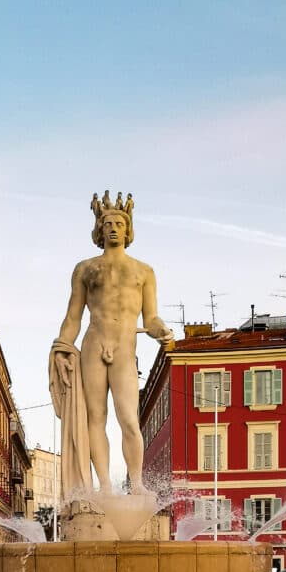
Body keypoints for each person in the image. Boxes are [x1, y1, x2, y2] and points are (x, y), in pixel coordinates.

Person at [51, 192, 174, 499]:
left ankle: (136, 483)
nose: (114, 228)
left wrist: (162, 331)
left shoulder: (143, 271)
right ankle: (104, 487)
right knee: (95, 416)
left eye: (120, 223)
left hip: (124, 348)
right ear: (100, 229)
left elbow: (152, 316)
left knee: (130, 420)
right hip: (94, 344)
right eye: (108, 223)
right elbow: (73, 316)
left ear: (128, 229)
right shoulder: (85, 269)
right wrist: (64, 346)